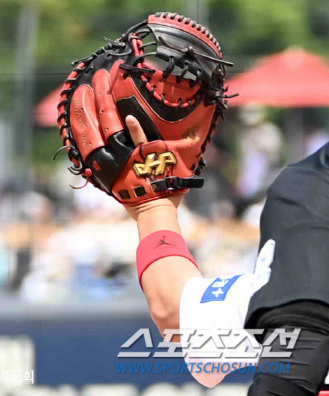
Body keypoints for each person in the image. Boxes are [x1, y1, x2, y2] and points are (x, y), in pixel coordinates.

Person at [125, 115, 329, 395]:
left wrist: (152, 207)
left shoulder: (308, 188)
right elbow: (176, 309)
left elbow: (173, 310)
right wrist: (154, 208)